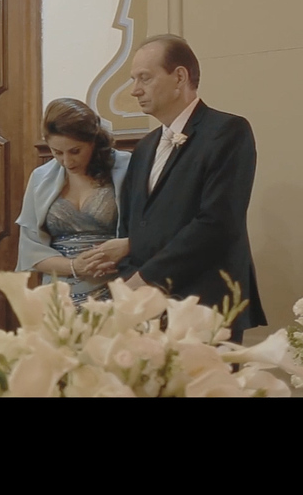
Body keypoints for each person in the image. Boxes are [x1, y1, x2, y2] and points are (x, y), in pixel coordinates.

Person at [82, 34, 266, 342]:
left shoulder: (227, 132)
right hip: (149, 310)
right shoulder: (145, 148)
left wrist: (146, 279)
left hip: (205, 303)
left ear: (179, 76)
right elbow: (135, 224)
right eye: (133, 79)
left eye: (145, 78)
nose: (135, 90)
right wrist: (131, 281)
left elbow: (217, 223)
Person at [15, 98, 131, 306]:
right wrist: (73, 266)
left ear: (93, 141)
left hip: (117, 288)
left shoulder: (127, 167)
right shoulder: (40, 178)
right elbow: (30, 249)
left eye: (75, 151)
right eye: (57, 152)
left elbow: (149, 229)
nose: (67, 162)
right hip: (58, 293)